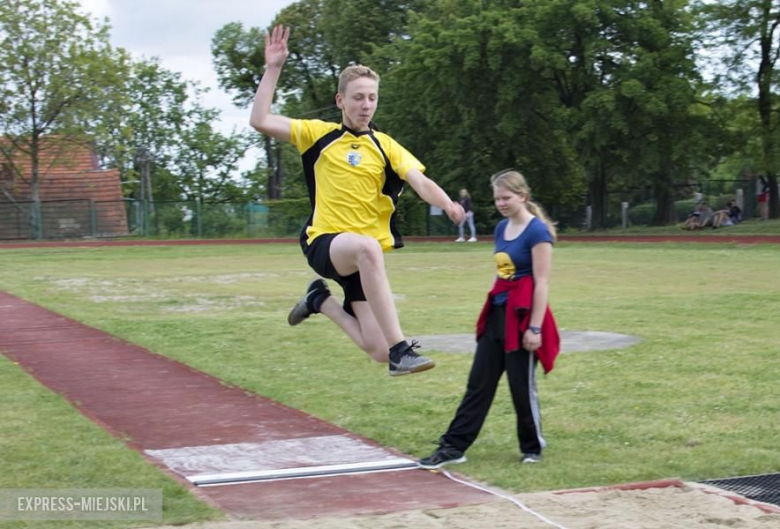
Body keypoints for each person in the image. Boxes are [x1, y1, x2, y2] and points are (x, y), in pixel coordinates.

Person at [250, 25, 465, 376]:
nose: (366, 105)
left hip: (361, 260)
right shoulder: (318, 135)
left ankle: (319, 301)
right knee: (368, 249)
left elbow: (419, 180)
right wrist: (273, 67)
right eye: (358, 97)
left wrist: (448, 204)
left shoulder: (385, 145)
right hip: (325, 242)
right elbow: (259, 120)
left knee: (375, 350)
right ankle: (401, 349)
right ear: (340, 101)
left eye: (372, 98)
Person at [419, 169, 560, 469]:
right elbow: (502, 273)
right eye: (497, 198)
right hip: (497, 314)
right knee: (478, 383)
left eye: (506, 197)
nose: (501, 203)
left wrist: (534, 328)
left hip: (522, 318)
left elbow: (541, 283)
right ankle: (454, 446)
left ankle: (532, 447)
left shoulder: (538, 232)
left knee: (521, 387)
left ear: (522, 196)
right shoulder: (500, 229)